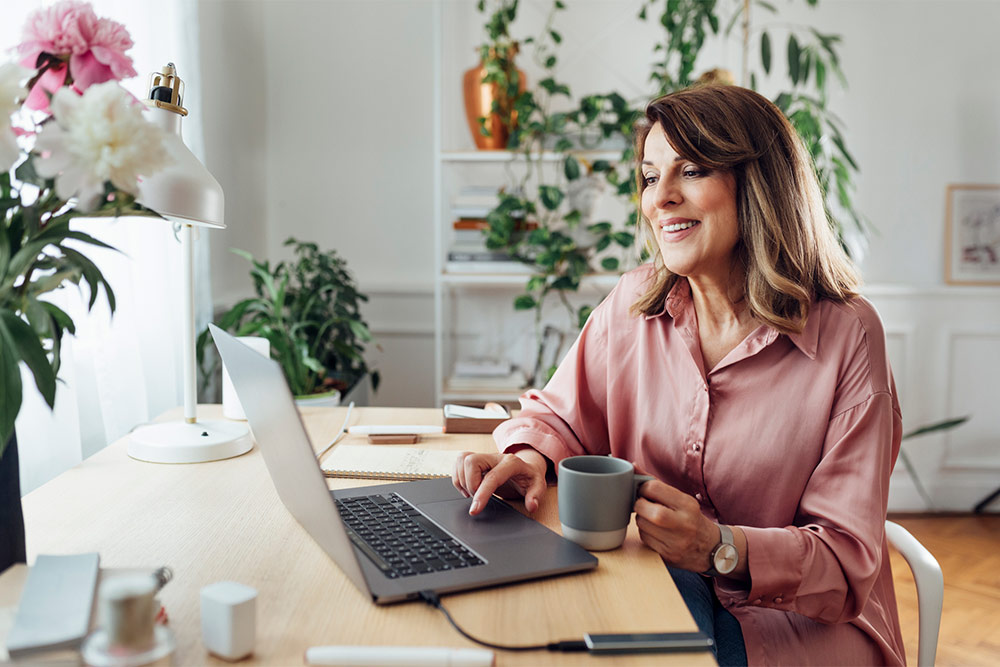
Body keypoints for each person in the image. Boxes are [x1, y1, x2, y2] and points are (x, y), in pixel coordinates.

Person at [452, 84, 906, 666]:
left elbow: (846, 563)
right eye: (648, 176)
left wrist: (720, 548)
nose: (659, 198)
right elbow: (558, 416)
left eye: (690, 170)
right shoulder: (633, 302)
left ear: (760, 186)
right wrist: (527, 459)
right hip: (657, 582)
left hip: (796, 628)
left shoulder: (848, 335)